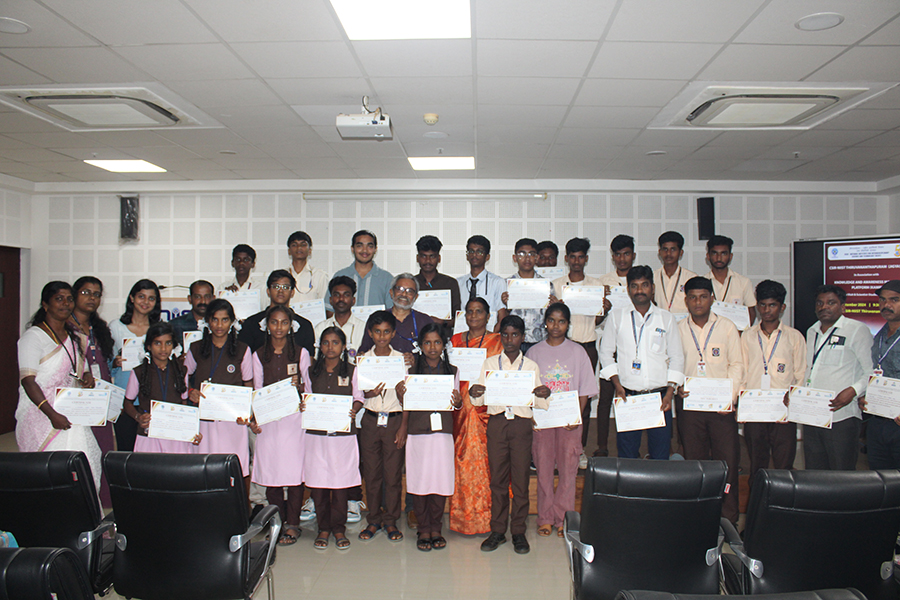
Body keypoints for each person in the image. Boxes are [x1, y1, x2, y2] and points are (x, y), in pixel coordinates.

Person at [469, 315, 551, 555]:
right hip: (497, 423)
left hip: (521, 425)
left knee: (521, 479)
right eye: (505, 334)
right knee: (498, 480)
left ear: (522, 337)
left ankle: (518, 531)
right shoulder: (490, 363)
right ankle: (497, 530)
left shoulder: (531, 366)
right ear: (500, 337)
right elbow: (479, 400)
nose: (509, 339)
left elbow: (538, 400)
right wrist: (475, 392)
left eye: (515, 334)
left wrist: (543, 393)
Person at [16, 282, 101, 491]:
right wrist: (52, 414)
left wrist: (87, 377)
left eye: (69, 299)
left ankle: (81, 509)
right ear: (45, 304)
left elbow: (82, 368)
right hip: (42, 414)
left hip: (71, 412)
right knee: (48, 472)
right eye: (59, 299)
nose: (65, 303)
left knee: (84, 463)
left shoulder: (74, 336)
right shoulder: (33, 337)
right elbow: (28, 381)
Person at [526, 303, 598, 537]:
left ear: (568, 324)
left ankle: (564, 518)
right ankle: (545, 517)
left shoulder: (578, 352)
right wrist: (532, 416)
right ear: (545, 322)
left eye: (562, 321)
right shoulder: (533, 352)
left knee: (568, 470)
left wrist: (576, 416)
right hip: (543, 420)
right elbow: (527, 389)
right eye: (551, 320)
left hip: (569, 422)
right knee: (544, 469)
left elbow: (585, 390)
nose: (556, 326)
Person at [676, 277, 743, 525]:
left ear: (712, 298)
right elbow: (671, 362)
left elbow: (737, 365)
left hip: (721, 409)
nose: (698, 302)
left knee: (727, 462)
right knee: (696, 464)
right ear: (686, 300)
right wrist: (677, 385)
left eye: (703, 297)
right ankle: (699, 518)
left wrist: (730, 398)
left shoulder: (727, 327)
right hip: (690, 407)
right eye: (693, 297)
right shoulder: (678, 329)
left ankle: (728, 518)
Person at [599, 266, 684, 460]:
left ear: (652, 288)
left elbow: (677, 357)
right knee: (627, 456)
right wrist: (617, 385)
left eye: (644, 285)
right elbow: (605, 353)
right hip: (628, 396)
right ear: (628, 289)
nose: (639, 290)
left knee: (660, 456)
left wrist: (670, 393)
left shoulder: (666, 318)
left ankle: (658, 481)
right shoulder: (617, 317)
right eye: (634, 286)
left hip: (660, 398)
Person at [396, 324, 462, 551]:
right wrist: (402, 419)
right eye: (427, 342)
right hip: (417, 432)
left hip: (442, 433)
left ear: (444, 345)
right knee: (420, 480)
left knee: (440, 480)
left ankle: (436, 528)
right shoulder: (411, 369)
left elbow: (457, 403)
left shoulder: (453, 370)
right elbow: (406, 403)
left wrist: (458, 402)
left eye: (437, 342)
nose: (432, 347)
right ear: (421, 345)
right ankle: (424, 528)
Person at [250, 305, 309, 546]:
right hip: (269, 421)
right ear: (267, 326)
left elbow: (309, 387)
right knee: (272, 473)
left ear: (291, 326)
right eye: (274, 322)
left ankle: (293, 524)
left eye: (284, 322)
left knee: (294, 475)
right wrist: (255, 417)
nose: (279, 327)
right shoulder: (258, 354)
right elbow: (256, 389)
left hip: (294, 421)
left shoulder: (301, 353)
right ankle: (277, 523)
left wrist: (300, 390)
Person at [303, 327, 364, 550]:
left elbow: (359, 397)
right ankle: (323, 528)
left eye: (335, 342)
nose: (330, 347)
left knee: (340, 484)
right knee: (319, 483)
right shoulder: (311, 371)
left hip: (342, 437)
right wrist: (304, 405)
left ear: (343, 346)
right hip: (317, 436)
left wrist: (353, 410)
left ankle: (338, 528)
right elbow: (306, 395)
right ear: (320, 346)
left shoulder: (352, 370)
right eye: (326, 343)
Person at [799, 285, 873, 470]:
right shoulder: (812, 331)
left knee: (842, 474)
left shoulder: (856, 330)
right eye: (820, 303)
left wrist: (853, 391)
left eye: (831, 302)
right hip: (813, 415)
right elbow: (809, 369)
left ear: (843, 306)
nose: (824, 307)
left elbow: (871, 371)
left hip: (842, 417)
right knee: (814, 474)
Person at [740, 280, 806, 484]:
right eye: (762, 305)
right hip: (755, 410)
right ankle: (756, 502)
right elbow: (741, 370)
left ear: (782, 307)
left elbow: (801, 373)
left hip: (783, 411)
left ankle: (783, 503)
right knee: (757, 464)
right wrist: (742, 400)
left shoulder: (794, 337)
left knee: (784, 465)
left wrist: (794, 396)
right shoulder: (747, 336)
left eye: (772, 305)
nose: (766, 310)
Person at [448, 297, 503, 535]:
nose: (473, 316)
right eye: (469, 312)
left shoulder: (498, 341)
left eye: (479, 312)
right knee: (461, 461)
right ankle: (463, 517)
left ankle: (488, 517)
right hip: (458, 410)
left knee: (487, 462)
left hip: (485, 411)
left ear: (488, 316)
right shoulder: (455, 341)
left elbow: (501, 375)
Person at [185, 299, 255, 479]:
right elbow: (182, 378)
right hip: (204, 421)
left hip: (233, 420)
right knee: (204, 469)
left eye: (224, 320)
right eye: (215, 319)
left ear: (232, 321)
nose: (219, 325)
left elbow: (248, 385)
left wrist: (247, 413)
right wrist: (190, 391)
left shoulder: (242, 350)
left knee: (231, 471)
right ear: (208, 320)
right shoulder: (196, 348)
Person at [551, 238, 606, 454]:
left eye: (580, 257)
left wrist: (604, 310)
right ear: (566, 259)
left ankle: (579, 448)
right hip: (562, 347)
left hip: (587, 347)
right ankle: (557, 447)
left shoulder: (596, 285)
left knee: (584, 399)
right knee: (559, 395)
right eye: (572, 257)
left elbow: (597, 321)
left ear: (586, 259)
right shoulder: (556, 285)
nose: (576, 261)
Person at [357, 311, 407, 543]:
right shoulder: (363, 360)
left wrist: (403, 426)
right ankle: (374, 519)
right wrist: (368, 394)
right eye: (377, 332)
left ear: (393, 333)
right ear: (370, 333)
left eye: (387, 331)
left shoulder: (401, 360)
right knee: (372, 473)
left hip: (395, 419)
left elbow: (409, 398)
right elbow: (358, 394)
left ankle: (391, 520)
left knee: (393, 474)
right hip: (370, 420)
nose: (382, 336)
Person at [68, 276, 115, 506]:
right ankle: (82, 503)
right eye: (86, 293)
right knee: (82, 450)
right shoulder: (65, 327)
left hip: (101, 397)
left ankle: (103, 503)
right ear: (74, 294)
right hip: (78, 399)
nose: (92, 298)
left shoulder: (99, 328)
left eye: (96, 294)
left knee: (104, 448)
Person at [123, 322, 200, 453]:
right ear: (149, 346)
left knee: (177, 466)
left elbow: (184, 402)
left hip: (176, 435)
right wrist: (138, 417)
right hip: (148, 435)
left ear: (174, 346)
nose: (163, 348)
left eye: (168, 343)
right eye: (157, 343)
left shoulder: (182, 371)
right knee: (150, 466)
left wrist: (191, 429)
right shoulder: (138, 372)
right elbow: (127, 403)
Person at [595, 234, 636, 460]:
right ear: (613, 257)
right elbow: (597, 320)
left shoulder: (640, 280)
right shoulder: (603, 282)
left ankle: (630, 446)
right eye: (618, 255)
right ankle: (602, 445)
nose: (622, 259)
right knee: (605, 398)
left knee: (631, 395)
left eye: (626, 254)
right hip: (610, 345)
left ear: (633, 255)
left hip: (635, 347)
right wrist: (604, 307)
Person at [110, 279, 162, 452]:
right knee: (125, 450)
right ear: (132, 298)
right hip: (124, 401)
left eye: (151, 298)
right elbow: (105, 363)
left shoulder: (159, 329)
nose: (145, 302)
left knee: (151, 453)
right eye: (141, 296)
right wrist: (115, 362)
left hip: (152, 399)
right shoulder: (116, 327)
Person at [860, 280, 900, 469]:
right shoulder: (879, 335)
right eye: (882, 300)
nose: (886, 305)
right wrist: (867, 396)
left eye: (894, 300)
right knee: (880, 478)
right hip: (877, 421)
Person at [238, 270, 315, 355]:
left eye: (285, 287)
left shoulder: (304, 326)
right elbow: (243, 357)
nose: (280, 291)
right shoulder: (252, 323)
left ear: (292, 293)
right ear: (268, 291)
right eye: (276, 286)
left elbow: (309, 359)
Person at [358, 273, 434, 355]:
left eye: (410, 291)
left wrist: (415, 360)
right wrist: (360, 356)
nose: (404, 294)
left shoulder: (425, 321)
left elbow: (432, 353)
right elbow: (365, 350)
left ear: (415, 297)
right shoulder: (377, 319)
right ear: (391, 292)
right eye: (400, 289)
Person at [500, 238, 550, 353]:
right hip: (513, 342)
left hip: (539, 341)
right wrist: (506, 307)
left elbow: (550, 317)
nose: (527, 258)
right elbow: (501, 318)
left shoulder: (547, 285)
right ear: (515, 258)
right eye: (522, 254)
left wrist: (553, 306)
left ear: (537, 258)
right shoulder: (505, 284)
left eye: (531, 254)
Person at [331, 230, 393, 309]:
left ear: (375, 249)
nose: (365, 250)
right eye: (359, 246)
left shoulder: (387, 279)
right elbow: (329, 309)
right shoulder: (340, 276)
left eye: (370, 246)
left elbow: (392, 310)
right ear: (352, 249)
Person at [703, 235, 756, 327]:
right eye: (715, 253)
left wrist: (740, 332)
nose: (719, 258)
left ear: (730, 256)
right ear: (708, 256)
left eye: (723, 254)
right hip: (709, 333)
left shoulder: (743, 282)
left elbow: (751, 312)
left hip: (736, 333)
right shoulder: (702, 283)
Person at [413, 235, 461, 334]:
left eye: (432, 256)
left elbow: (458, 319)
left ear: (439, 258)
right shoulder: (411, 283)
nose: (427, 261)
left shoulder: (450, 283)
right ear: (417, 258)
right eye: (423, 256)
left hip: (443, 337)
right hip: (415, 337)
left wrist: (443, 322)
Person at [457, 235, 506, 331]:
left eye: (479, 252)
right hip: (463, 336)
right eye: (471, 251)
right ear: (467, 256)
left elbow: (502, 318)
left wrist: (490, 337)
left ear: (487, 257)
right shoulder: (458, 283)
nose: (474, 255)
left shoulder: (498, 282)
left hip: (489, 336)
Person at [315, 276, 367, 363]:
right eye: (337, 295)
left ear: (353, 300)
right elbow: (316, 358)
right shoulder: (320, 328)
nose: (341, 299)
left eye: (346, 295)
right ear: (330, 300)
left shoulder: (364, 328)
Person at [653, 231, 696, 317]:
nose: (668, 253)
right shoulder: (653, 277)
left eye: (673, 249)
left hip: (683, 324)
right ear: (660, 252)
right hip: (659, 323)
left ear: (681, 253)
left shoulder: (691, 278)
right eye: (665, 249)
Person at [285, 231, 329, 303]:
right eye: (294, 245)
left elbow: (325, 304)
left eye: (303, 245)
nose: (299, 248)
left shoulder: (320, 276)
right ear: (289, 251)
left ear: (310, 251)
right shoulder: (282, 276)